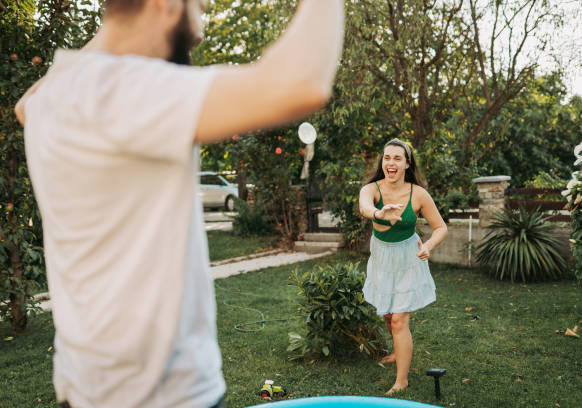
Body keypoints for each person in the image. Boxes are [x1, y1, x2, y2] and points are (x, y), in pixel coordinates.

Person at [14, 0, 344, 407]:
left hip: (87, 388)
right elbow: (302, 82)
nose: (202, 24)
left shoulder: (59, 92)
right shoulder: (119, 91)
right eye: (200, 6)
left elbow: (23, 107)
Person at [358, 138, 448, 395]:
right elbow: (364, 206)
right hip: (382, 258)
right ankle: (399, 351)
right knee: (388, 314)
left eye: (397, 158)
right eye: (387, 158)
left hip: (409, 258)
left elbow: (441, 227)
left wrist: (428, 246)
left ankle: (402, 381)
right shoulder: (371, 189)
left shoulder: (419, 194)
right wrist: (378, 213)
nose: (391, 163)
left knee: (399, 320)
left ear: (407, 164)